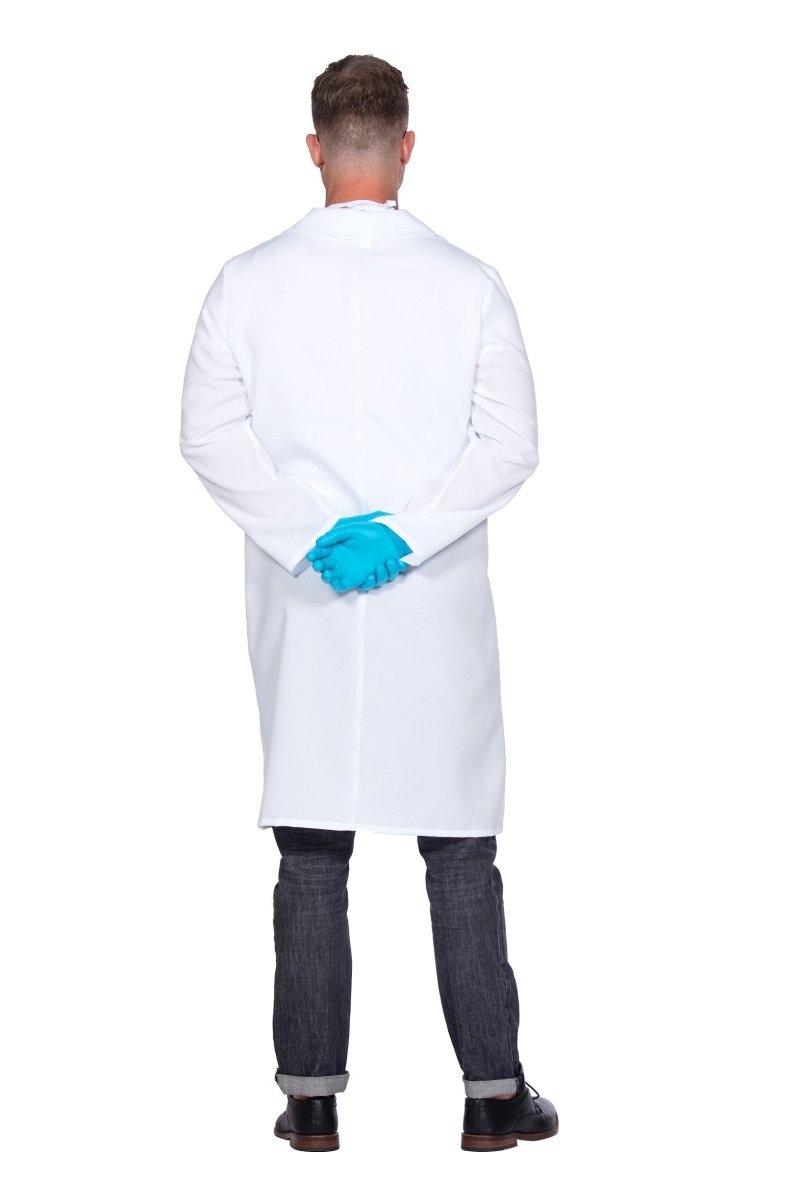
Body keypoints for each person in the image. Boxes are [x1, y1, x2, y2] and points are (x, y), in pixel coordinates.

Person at [179, 53, 559, 1153]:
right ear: (406, 146)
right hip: (431, 609)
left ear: (313, 148)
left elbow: (207, 434)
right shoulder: (469, 283)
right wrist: (407, 535)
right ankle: (491, 1095)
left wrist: (313, 538)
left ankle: (310, 1100)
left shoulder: (244, 282)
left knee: (311, 852)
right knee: (459, 851)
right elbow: (510, 444)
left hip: (306, 609)